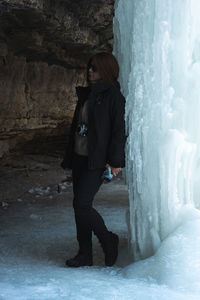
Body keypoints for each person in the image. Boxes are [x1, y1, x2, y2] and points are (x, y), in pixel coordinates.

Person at [61, 52, 126, 267]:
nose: (90, 70)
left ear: (106, 70)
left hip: (96, 160)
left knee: (82, 204)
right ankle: (84, 253)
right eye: (89, 66)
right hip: (80, 157)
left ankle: (108, 239)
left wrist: (116, 162)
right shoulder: (87, 94)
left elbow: (118, 131)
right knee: (78, 205)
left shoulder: (113, 97)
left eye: (95, 68)